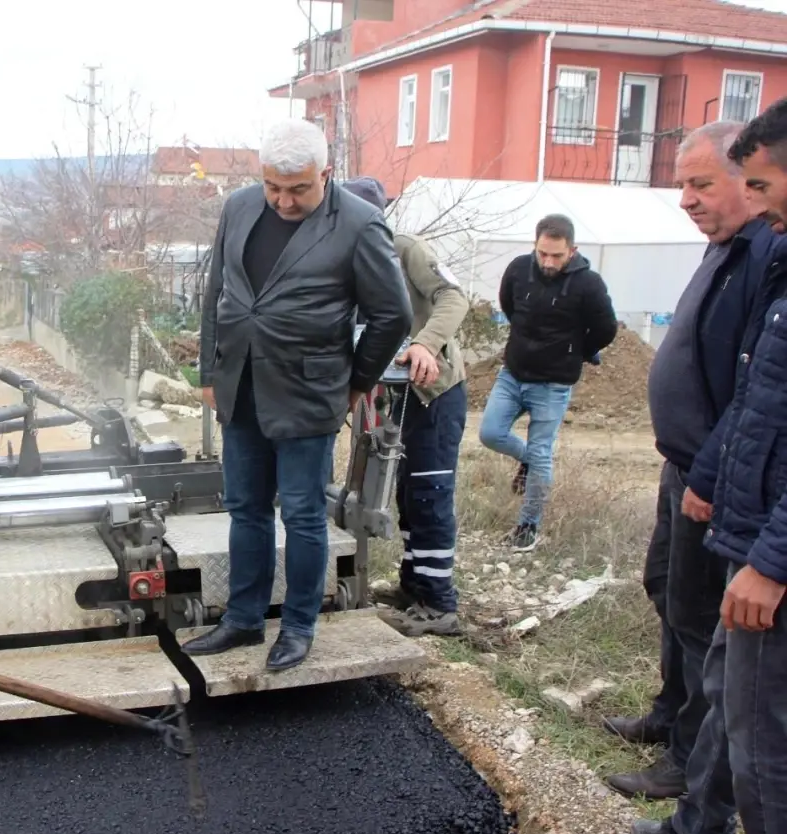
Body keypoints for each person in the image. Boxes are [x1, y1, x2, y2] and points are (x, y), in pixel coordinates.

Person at [630, 97, 787, 834]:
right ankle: (678, 734)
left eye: (704, 183)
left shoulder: (767, 251)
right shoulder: (728, 247)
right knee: (677, 604)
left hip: (724, 489)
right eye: (680, 185)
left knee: (724, 658)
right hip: (693, 469)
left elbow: (758, 388)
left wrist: (713, 475)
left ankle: (704, 812)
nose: (687, 199)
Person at [187, 119, 413, 671]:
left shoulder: (360, 224)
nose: (283, 202)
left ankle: (298, 627)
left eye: (298, 189)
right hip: (240, 384)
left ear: (326, 174)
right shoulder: (240, 207)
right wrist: (210, 374)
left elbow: (393, 315)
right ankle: (242, 620)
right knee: (245, 509)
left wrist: (355, 381)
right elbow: (217, 289)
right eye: (273, 187)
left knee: (305, 515)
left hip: (310, 392)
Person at [341, 176, 470, 637]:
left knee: (431, 492)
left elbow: (455, 298)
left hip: (432, 391)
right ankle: (415, 585)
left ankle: (440, 603)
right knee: (406, 493)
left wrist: (425, 344)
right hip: (391, 395)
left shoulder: (406, 249)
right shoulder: (342, 259)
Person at [478, 214, 618, 551]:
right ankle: (525, 460)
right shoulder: (518, 269)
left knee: (541, 454)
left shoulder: (589, 284)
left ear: (572, 250)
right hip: (513, 373)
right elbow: (509, 306)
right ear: (535, 246)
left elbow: (606, 329)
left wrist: (577, 352)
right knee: (490, 433)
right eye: (542, 253)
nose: (548, 262)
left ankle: (528, 527)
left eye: (556, 255)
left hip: (554, 384)